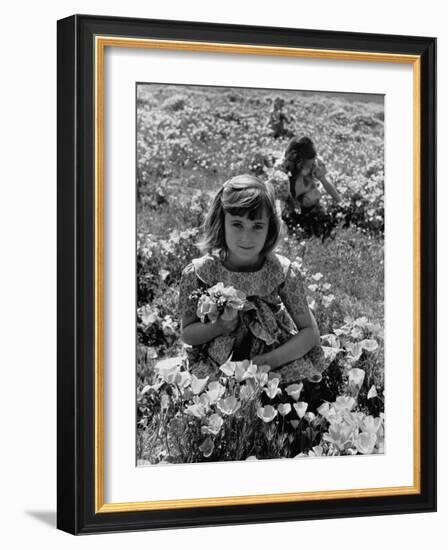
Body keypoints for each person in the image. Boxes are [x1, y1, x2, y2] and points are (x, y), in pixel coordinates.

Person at [178, 174, 324, 383]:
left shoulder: (281, 271)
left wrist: (267, 362)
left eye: (257, 226)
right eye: (237, 224)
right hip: (218, 363)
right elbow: (187, 335)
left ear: (270, 228)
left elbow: (310, 333)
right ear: (222, 222)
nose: (247, 237)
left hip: (271, 359)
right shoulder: (201, 272)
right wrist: (219, 326)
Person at [269, 136, 341, 238]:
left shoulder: (315, 164)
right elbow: (277, 198)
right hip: (289, 204)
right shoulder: (282, 169)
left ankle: (313, 223)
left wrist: (340, 202)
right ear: (297, 162)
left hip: (309, 201)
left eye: (312, 164)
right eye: (307, 165)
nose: (311, 166)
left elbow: (325, 183)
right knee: (293, 228)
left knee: (321, 226)